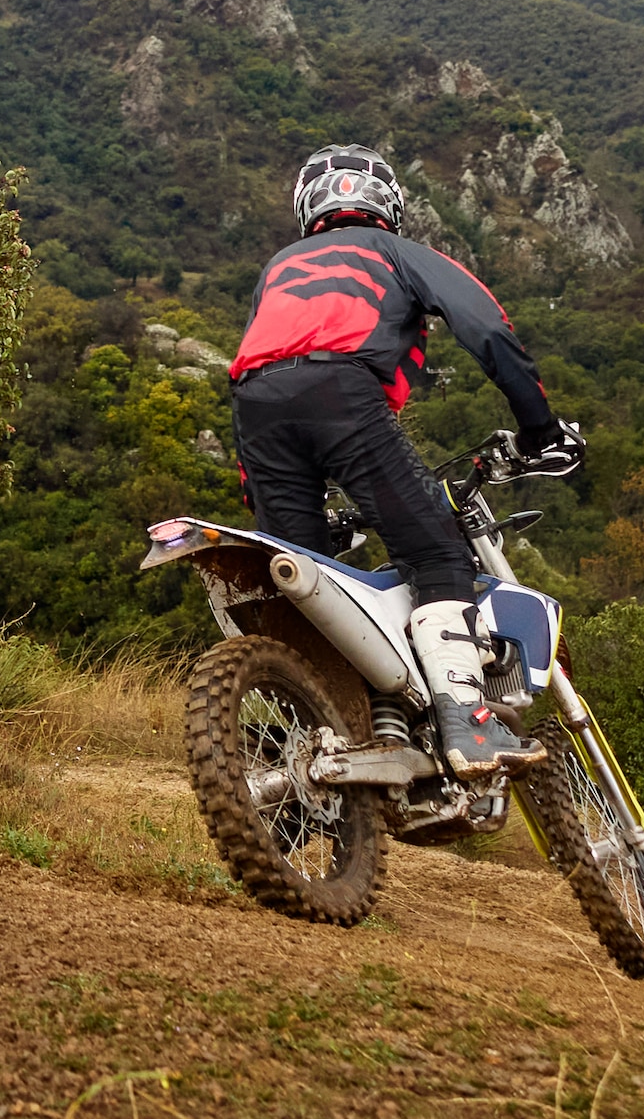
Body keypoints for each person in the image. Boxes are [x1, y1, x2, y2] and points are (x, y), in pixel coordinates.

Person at [226, 144, 584, 743]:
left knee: (307, 585)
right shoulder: (396, 251)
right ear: (388, 204)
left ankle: (309, 750)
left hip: (255, 412)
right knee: (439, 556)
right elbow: (488, 327)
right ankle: (468, 724)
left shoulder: (279, 267)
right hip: (342, 393)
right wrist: (540, 429)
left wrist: (256, 490)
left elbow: (259, 365)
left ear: (308, 207)